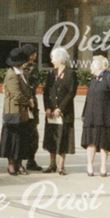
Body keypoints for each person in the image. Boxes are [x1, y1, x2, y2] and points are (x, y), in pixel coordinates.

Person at [81, 55, 110, 177]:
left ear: (100, 65)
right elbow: (88, 98)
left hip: (105, 115)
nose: (91, 66)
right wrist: (84, 113)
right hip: (91, 115)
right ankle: (90, 165)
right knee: (90, 141)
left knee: (104, 142)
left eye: (92, 64)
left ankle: (103, 167)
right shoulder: (93, 79)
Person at [0, 48, 34, 176]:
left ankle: (19, 164)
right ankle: (11, 164)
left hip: (22, 113)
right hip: (13, 112)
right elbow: (16, 94)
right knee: (12, 139)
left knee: (21, 140)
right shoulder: (11, 74)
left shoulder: (22, 73)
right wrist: (29, 102)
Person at [42, 46, 77, 175]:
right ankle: (52, 164)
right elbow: (46, 92)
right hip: (51, 113)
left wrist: (60, 108)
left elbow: (71, 93)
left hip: (64, 113)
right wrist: (47, 107)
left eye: (53, 58)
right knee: (52, 137)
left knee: (63, 138)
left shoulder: (70, 73)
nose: (52, 61)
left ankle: (61, 166)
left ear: (60, 59)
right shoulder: (51, 73)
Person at [20, 44, 43, 171]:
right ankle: (18, 161)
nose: (35, 55)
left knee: (33, 134)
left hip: (32, 105)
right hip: (22, 104)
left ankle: (31, 159)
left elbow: (34, 84)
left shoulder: (34, 68)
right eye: (33, 53)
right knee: (21, 133)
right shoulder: (19, 67)